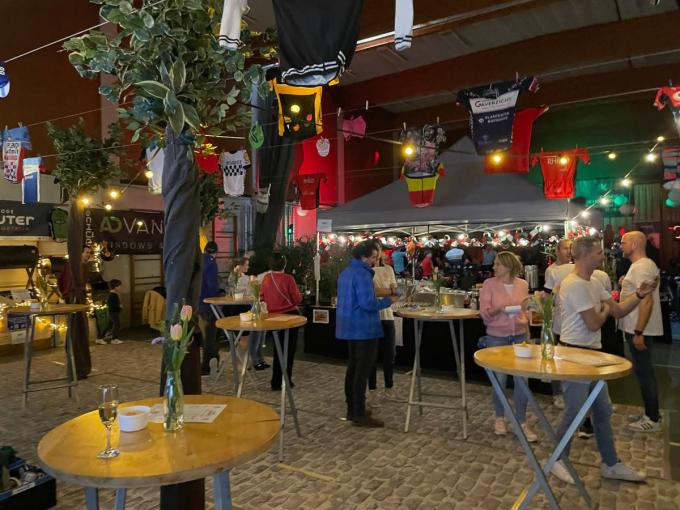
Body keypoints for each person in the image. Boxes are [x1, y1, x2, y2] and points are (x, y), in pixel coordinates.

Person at [551, 236, 656, 484]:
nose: (603, 256)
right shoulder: (575, 284)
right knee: (574, 412)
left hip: (591, 354)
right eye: (599, 252)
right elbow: (594, 322)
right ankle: (557, 458)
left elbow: (618, 310)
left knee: (602, 410)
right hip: (574, 355)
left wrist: (639, 295)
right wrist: (606, 308)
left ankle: (610, 463)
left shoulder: (594, 281)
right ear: (585, 255)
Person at [336, 240, 398, 427]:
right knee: (361, 371)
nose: (374, 261)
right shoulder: (362, 274)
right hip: (364, 328)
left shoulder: (346, 272)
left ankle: (352, 409)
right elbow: (368, 304)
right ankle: (359, 413)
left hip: (349, 326)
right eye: (372, 258)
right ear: (363, 257)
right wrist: (389, 300)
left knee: (353, 368)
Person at [479, 252, 537, 441]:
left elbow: (524, 308)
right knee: (499, 381)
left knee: (523, 382)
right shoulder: (489, 285)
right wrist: (499, 309)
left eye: (497, 264)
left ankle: (521, 420)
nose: (493, 267)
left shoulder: (522, 284)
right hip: (496, 337)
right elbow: (484, 314)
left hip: (520, 336)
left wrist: (531, 307)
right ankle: (500, 417)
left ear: (508, 266)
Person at [620, 231, 663, 432]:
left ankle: (652, 418)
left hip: (639, 328)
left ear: (636, 243)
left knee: (645, 373)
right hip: (637, 327)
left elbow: (647, 300)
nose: (621, 245)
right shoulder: (641, 267)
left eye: (624, 241)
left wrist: (638, 332)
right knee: (643, 372)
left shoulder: (642, 266)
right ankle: (650, 412)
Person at [261, 253, 302, 391]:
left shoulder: (266, 278)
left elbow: (262, 296)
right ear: (284, 264)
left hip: (273, 317)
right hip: (290, 316)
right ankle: (286, 380)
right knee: (288, 350)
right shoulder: (288, 278)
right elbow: (297, 299)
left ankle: (275, 381)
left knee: (277, 349)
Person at [543, 239, 574, 410]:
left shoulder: (576, 268)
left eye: (571, 248)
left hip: (574, 320)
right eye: (565, 248)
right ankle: (557, 393)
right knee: (556, 357)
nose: (568, 251)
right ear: (557, 251)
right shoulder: (552, 271)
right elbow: (548, 298)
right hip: (558, 320)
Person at [368, 246, 398, 406]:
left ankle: (389, 386)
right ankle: (372, 390)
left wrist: (387, 291)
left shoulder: (388, 269)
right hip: (373, 317)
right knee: (372, 356)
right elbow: (373, 292)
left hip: (388, 316)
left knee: (390, 354)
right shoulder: (367, 271)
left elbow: (395, 289)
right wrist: (389, 292)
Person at [199, 241, 221, 376]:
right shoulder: (211, 262)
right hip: (208, 302)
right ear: (215, 252)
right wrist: (217, 299)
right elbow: (211, 283)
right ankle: (208, 364)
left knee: (200, 334)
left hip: (196, 302)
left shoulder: (197, 259)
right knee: (211, 335)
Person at [97, 279, 123, 345]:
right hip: (113, 312)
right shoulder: (113, 295)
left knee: (109, 325)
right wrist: (120, 307)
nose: (120, 287)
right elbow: (112, 305)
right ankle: (114, 339)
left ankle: (100, 338)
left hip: (112, 312)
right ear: (115, 287)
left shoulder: (113, 294)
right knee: (117, 324)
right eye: (119, 286)